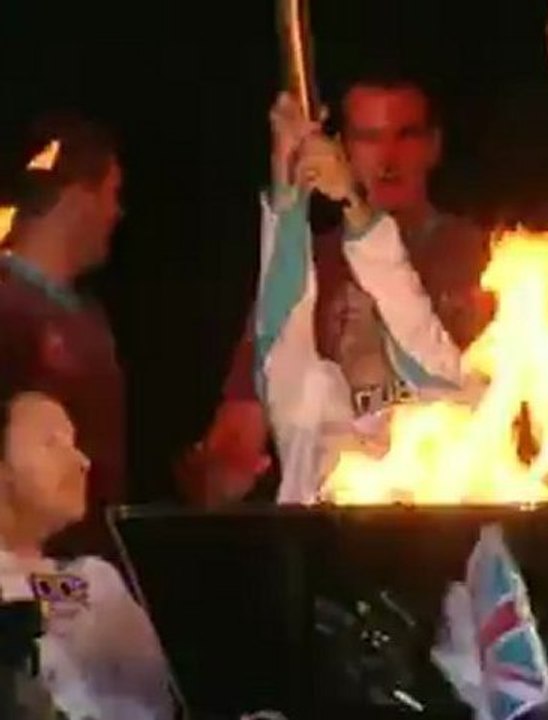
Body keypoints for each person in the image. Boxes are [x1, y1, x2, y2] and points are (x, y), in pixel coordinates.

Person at [183, 71, 492, 505]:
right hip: (327, 562)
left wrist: (353, 205)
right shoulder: (309, 400)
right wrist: (288, 180)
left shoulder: (485, 270)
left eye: (404, 135)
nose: (387, 158)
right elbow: (281, 317)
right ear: (344, 148)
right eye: (368, 137)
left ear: (433, 145)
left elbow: (413, 321)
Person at [0, 386, 172, 718]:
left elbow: (156, 699)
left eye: (75, 443)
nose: (82, 461)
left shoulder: (95, 581)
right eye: (52, 443)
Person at [0, 116, 126, 560]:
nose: (118, 212)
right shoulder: (7, 308)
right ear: (77, 197)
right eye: (113, 193)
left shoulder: (89, 319)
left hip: (84, 581)